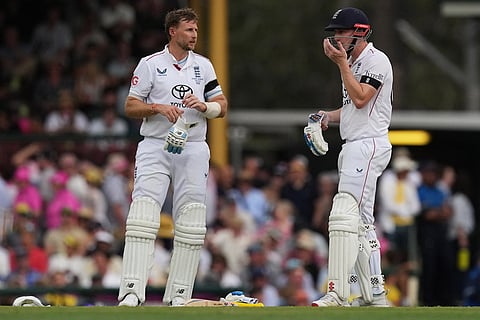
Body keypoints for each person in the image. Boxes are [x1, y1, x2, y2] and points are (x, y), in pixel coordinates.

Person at [117, 7, 228, 307]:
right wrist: (158, 108)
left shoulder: (203, 65)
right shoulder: (150, 64)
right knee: (143, 215)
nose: (194, 35)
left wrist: (205, 107)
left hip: (193, 146)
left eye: (196, 30)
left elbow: (222, 104)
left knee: (191, 219)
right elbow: (130, 106)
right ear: (173, 31)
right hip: (155, 144)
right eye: (189, 30)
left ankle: (179, 295)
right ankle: (131, 291)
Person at [307, 7, 393, 307]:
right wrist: (326, 116)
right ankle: (374, 295)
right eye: (334, 33)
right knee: (362, 224)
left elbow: (360, 97)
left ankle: (338, 291)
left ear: (358, 32)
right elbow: (352, 108)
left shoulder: (375, 60)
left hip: (369, 144)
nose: (336, 38)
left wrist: (342, 65)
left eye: (340, 32)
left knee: (344, 213)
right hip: (353, 144)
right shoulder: (354, 63)